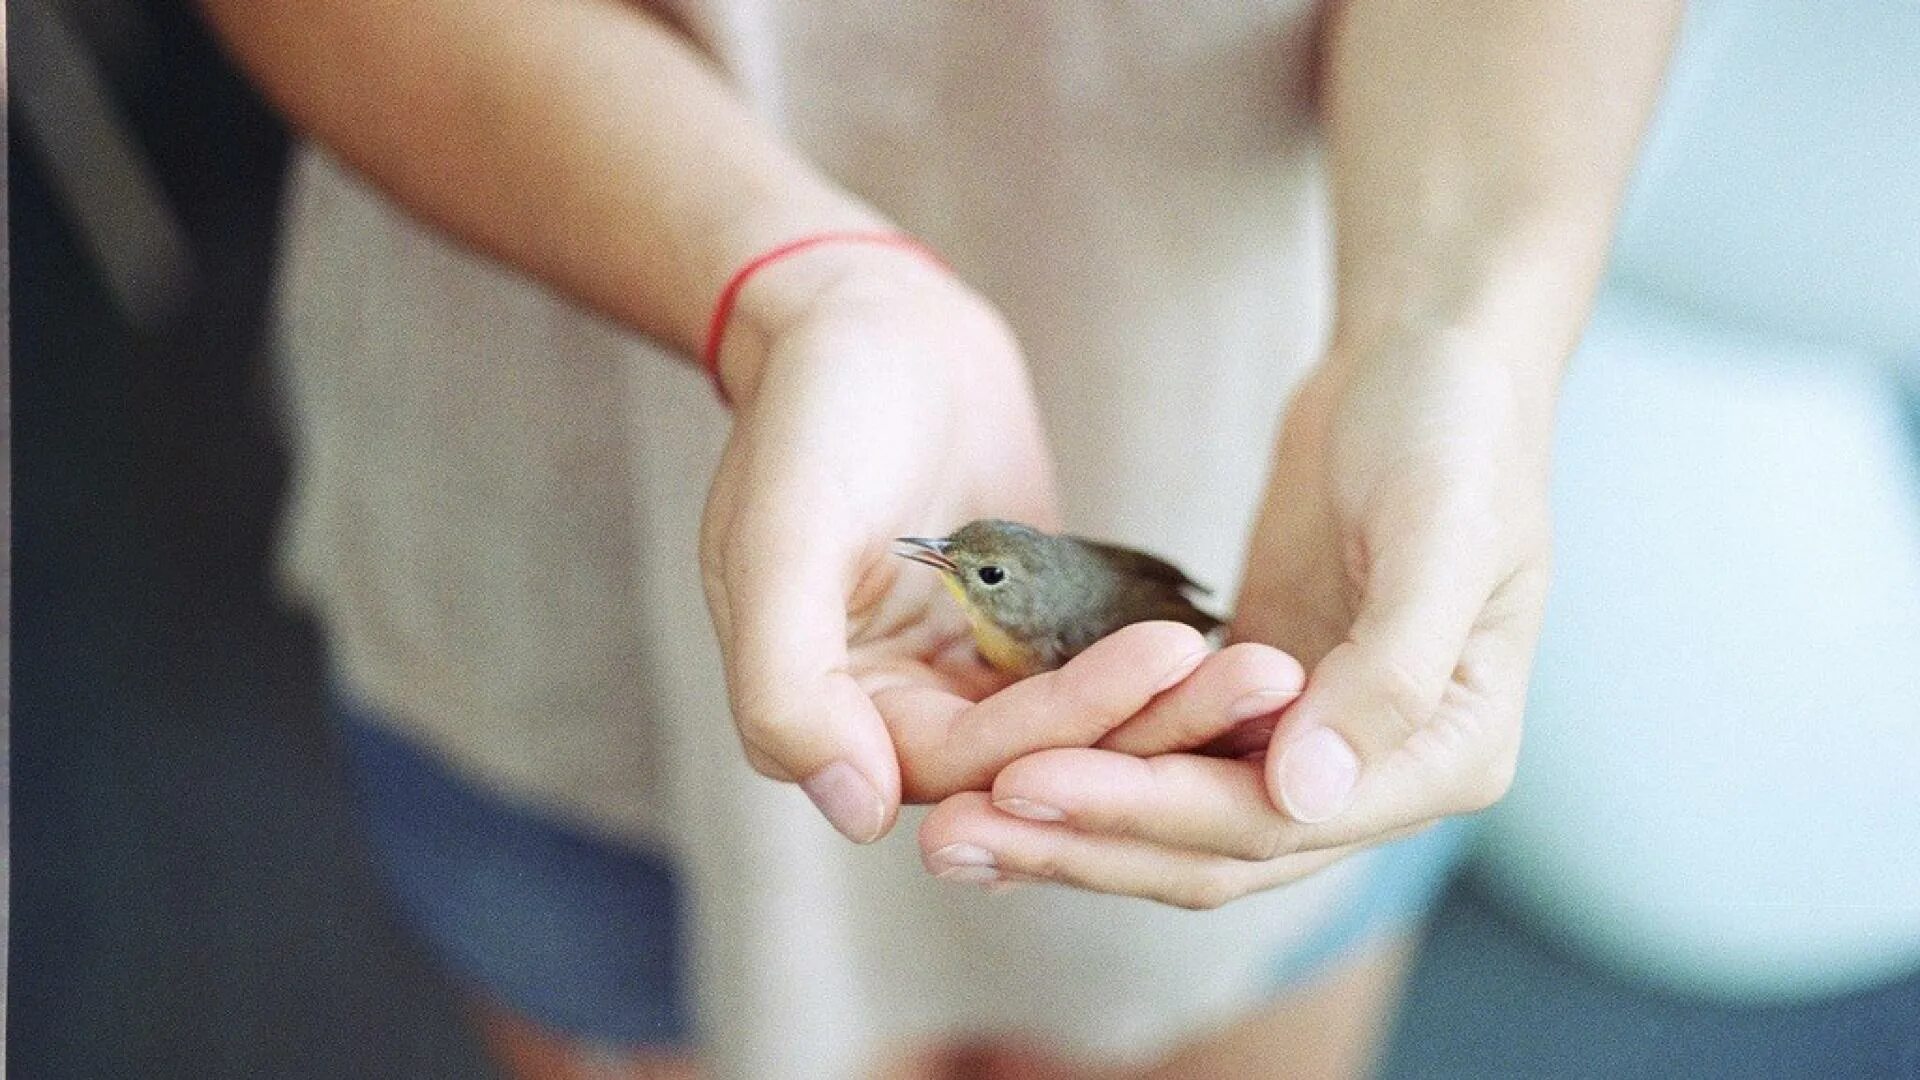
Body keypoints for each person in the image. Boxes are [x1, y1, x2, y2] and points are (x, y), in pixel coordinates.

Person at [199, 1, 1679, 1077]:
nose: (949, 578)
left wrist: (1449, 324)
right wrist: (784, 290)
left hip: (1256, 377)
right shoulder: (982, 607)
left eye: (971, 574)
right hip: (571, 480)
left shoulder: (1049, 626)